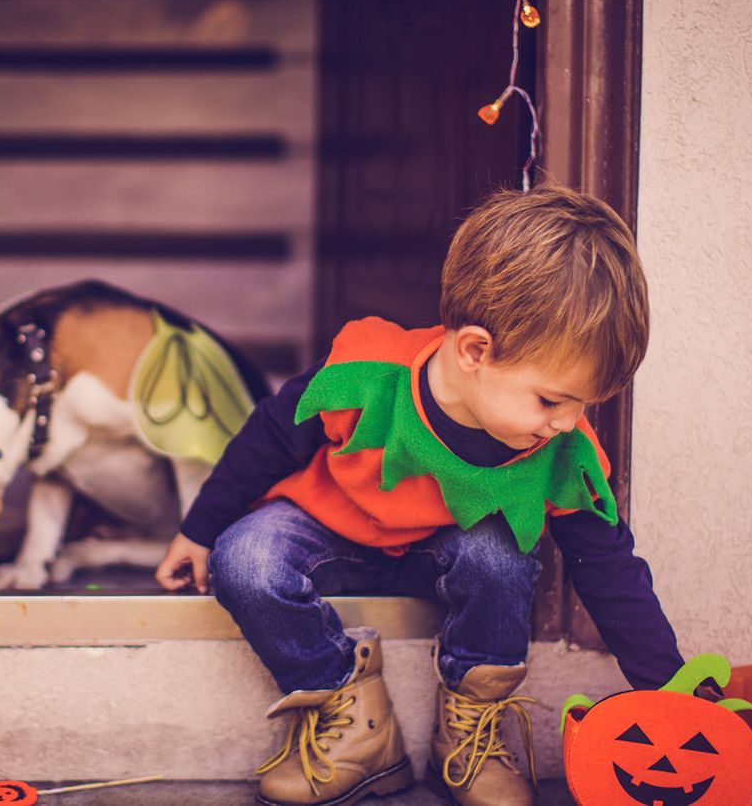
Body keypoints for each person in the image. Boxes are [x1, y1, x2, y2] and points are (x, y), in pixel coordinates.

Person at [155, 185, 684, 806]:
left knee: (500, 555)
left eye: (583, 405)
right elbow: (270, 435)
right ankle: (351, 716)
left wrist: (669, 694)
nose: (568, 422)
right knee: (242, 559)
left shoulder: (565, 452)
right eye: (552, 400)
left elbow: (608, 566)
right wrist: (199, 528)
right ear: (475, 352)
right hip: (329, 519)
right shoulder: (369, 374)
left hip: (450, 541)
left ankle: (470, 732)